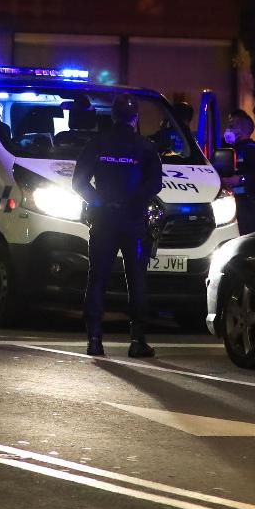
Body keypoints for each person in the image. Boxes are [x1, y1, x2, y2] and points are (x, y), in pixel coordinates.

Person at [71, 93, 164, 359]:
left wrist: (100, 202)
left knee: (97, 277)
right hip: (134, 221)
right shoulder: (145, 147)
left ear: (112, 116)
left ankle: (95, 339)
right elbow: (155, 183)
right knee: (136, 279)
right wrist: (133, 201)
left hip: (103, 221)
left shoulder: (97, 143)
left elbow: (78, 182)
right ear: (135, 118)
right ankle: (137, 341)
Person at [220, 110, 255, 235]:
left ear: (242, 129)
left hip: (249, 205)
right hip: (233, 203)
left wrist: (240, 179)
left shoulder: (253, 150)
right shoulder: (231, 150)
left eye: (232, 126)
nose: (228, 129)